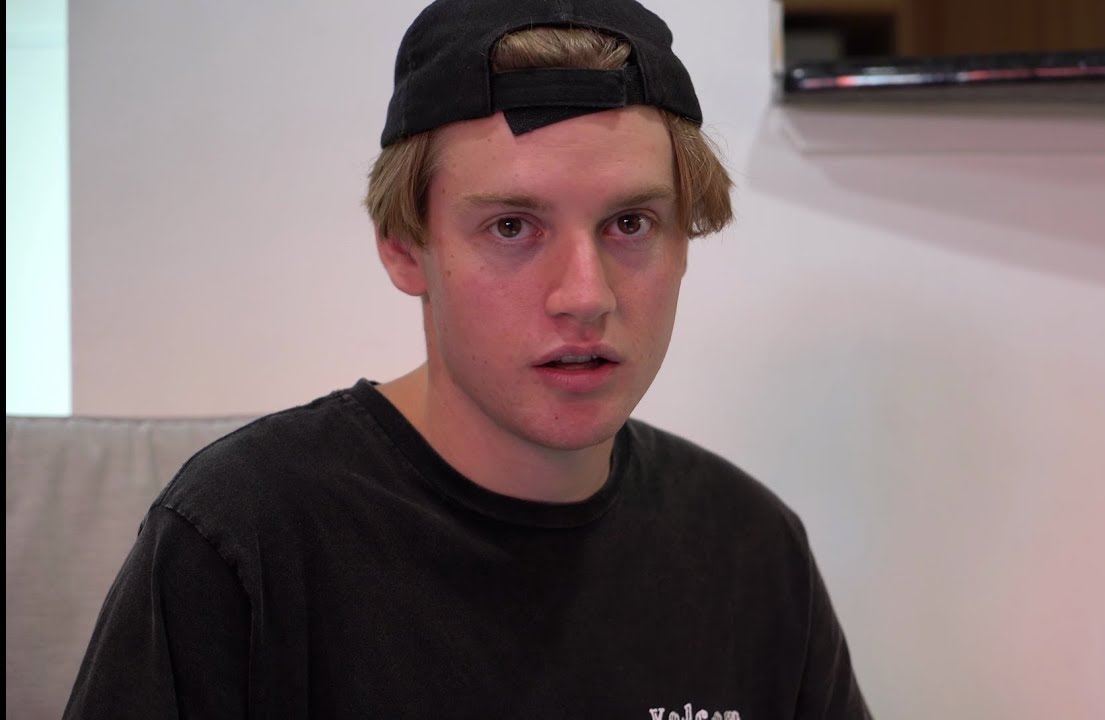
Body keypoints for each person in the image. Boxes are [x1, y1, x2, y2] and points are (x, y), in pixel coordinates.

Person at [64, 0, 874, 717]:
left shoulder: (751, 550)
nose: (584, 295)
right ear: (403, 246)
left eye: (631, 224)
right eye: (512, 227)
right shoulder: (242, 540)